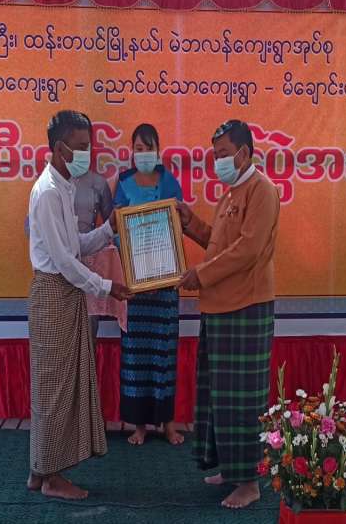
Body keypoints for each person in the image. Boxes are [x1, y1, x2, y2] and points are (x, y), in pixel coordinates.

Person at [27, 110, 131, 500]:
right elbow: (65, 262)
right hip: (54, 293)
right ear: (60, 148)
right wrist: (106, 287)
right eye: (82, 147)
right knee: (54, 389)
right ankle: (52, 479)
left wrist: (107, 229)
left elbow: (76, 247)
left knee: (56, 386)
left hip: (65, 294)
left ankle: (40, 469)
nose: (88, 154)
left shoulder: (64, 187)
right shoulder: (48, 192)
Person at [177, 119, 280, 509]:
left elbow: (247, 250)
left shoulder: (262, 190)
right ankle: (230, 468)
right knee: (220, 396)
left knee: (243, 400)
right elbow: (219, 245)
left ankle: (249, 481)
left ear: (244, 153)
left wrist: (200, 275)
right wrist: (189, 223)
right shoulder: (232, 193)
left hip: (245, 308)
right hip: (220, 307)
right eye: (214, 154)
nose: (217, 161)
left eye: (222, 154)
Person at [113, 124, 185, 447]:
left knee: (163, 356)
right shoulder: (123, 183)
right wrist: (136, 271)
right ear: (132, 151)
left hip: (166, 283)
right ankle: (139, 425)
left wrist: (160, 273)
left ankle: (168, 424)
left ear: (158, 150)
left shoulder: (169, 182)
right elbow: (116, 229)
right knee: (136, 356)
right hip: (134, 284)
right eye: (138, 148)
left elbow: (177, 226)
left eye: (148, 147)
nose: (143, 153)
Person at [72, 164, 114, 344]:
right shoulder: (48, 185)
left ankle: (89, 363)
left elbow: (112, 225)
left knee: (89, 327)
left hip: (89, 264)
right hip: (57, 268)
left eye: (85, 150)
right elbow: (31, 227)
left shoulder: (99, 183)